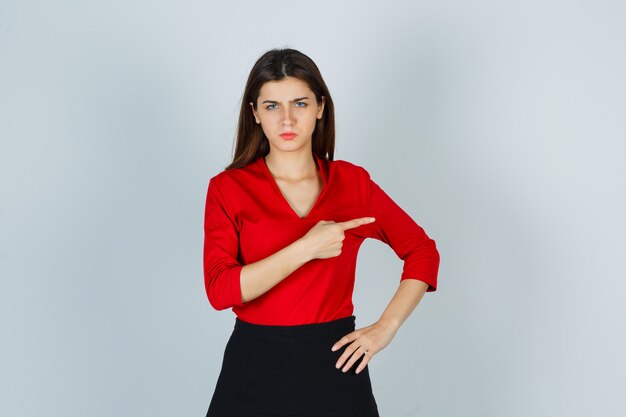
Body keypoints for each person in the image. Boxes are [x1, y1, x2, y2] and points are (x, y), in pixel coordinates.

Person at [203, 48, 440, 417]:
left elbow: (423, 251)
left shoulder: (352, 184)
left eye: (299, 103)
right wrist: (306, 247)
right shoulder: (228, 188)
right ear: (254, 113)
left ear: (319, 107)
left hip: (336, 365)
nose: (286, 119)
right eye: (271, 106)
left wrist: (386, 327)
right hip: (253, 367)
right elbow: (220, 291)